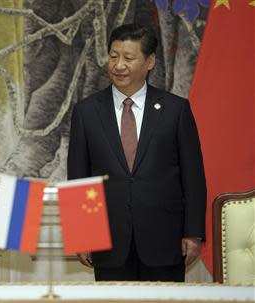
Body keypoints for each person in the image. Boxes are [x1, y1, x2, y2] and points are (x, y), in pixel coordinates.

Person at [67, 23, 206, 281]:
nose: (119, 65)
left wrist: (193, 233)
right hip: (107, 242)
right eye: (113, 56)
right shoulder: (86, 112)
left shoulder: (175, 110)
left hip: (165, 241)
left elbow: (193, 177)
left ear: (150, 61)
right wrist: (80, 235)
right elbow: (78, 177)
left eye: (128, 58)